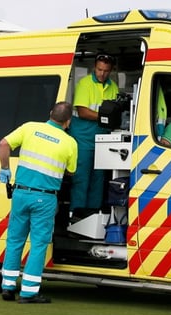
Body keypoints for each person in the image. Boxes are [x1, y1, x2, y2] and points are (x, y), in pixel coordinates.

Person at [0, 102, 77, 304]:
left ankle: (7, 286)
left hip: (21, 193)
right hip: (45, 197)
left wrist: (5, 168)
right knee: (39, 244)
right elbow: (71, 171)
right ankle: (29, 292)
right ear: (68, 122)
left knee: (15, 240)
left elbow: (3, 144)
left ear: (50, 114)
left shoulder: (29, 127)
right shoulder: (70, 143)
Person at [69, 53, 118, 219]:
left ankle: (93, 218)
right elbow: (82, 112)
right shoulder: (85, 83)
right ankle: (76, 217)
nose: (101, 74)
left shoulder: (113, 86)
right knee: (81, 180)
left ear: (111, 71)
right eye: (99, 69)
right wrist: (105, 117)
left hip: (102, 138)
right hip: (83, 138)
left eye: (105, 70)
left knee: (98, 180)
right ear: (94, 68)